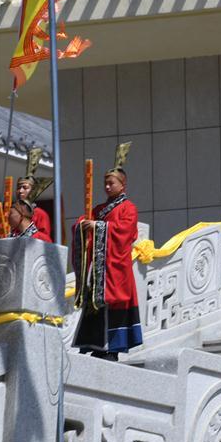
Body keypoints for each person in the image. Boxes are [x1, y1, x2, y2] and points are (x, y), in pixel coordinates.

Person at [72, 142, 142, 361]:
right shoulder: (100, 209)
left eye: (111, 183)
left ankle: (112, 348)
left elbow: (126, 231)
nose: (107, 187)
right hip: (99, 269)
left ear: (123, 184)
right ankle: (95, 344)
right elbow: (86, 221)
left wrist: (99, 227)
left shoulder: (128, 208)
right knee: (96, 305)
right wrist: (83, 226)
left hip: (116, 269)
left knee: (115, 306)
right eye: (105, 183)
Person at [17, 148, 52, 240]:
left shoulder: (40, 214)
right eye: (18, 188)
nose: (20, 191)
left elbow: (46, 241)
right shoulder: (11, 213)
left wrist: (27, 230)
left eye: (25, 188)